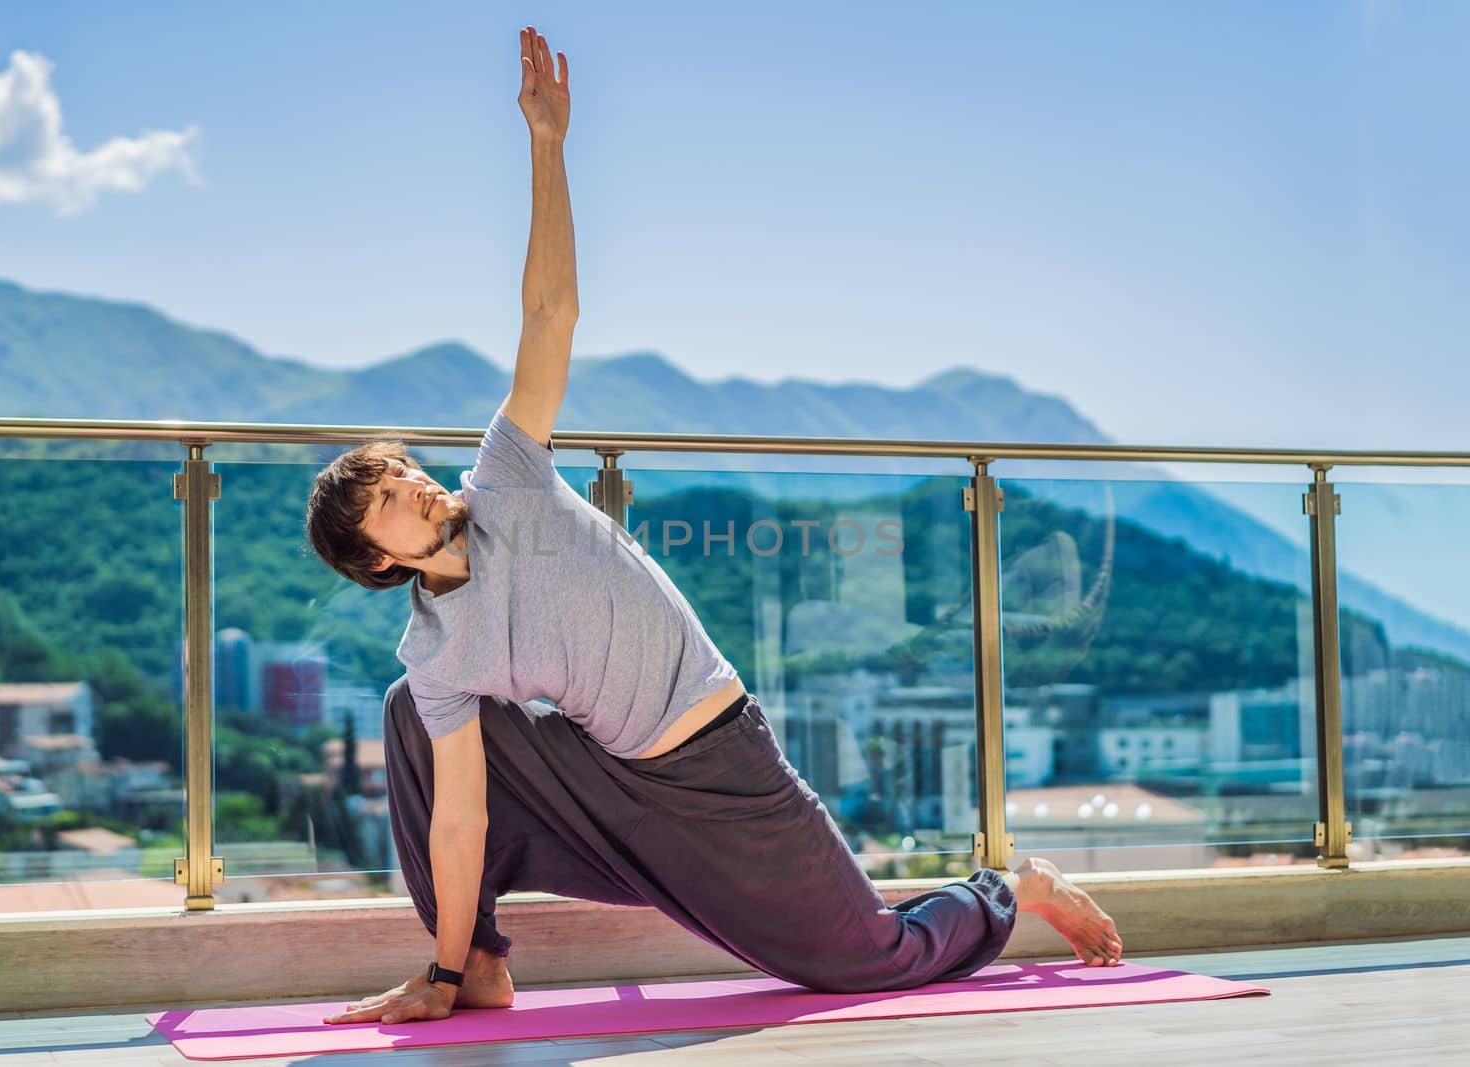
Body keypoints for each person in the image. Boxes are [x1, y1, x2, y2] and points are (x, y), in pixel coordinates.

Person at [305, 24, 1121, 1028]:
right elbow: (461, 807)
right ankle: (475, 963)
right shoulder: (439, 651)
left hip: (717, 760)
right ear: (377, 558)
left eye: (403, 474)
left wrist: (546, 147)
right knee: (403, 712)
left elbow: (548, 314)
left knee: (864, 956)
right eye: (388, 498)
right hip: (610, 776)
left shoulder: (506, 478)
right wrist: (437, 970)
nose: (416, 489)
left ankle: (1013, 887)